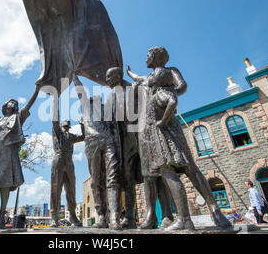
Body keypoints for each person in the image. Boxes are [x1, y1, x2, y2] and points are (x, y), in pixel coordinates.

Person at [127, 46, 232, 230]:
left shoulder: (169, 72)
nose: (145, 59)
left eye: (147, 55)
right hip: (162, 121)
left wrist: (171, 93)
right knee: (189, 168)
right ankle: (214, 213)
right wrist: (130, 73)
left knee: (177, 168)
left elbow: (182, 85)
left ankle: (201, 214)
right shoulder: (151, 77)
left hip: (161, 124)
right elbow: (140, 78)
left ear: (155, 57)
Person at [0, 86, 40, 230]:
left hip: (7, 153)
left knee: (5, 184)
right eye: (11, 102)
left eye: (16, 103)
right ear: (5, 105)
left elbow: (29, 105)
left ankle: (2, 220)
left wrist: (36, 89)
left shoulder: (17, 118)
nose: (14, 104)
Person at [73, 74, 123, 229]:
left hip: (109, 142)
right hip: (92, 143)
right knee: (95, 181)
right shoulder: (86, 107)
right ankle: (101, 215)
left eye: (98, 98)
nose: (96, 98)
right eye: (93, 98)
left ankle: (114, 217)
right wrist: (74, 74)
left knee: (112, 178)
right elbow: (79, 89)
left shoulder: (108, 108)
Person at [105, 67, 144, 230]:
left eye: (109, 76)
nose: (107, 79)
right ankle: (128, 217)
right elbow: (108, 120)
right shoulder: (110, 96)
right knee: (128, 178)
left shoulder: (133, 88)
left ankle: (163, 215)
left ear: (118, 76)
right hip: (122, 141)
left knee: (152, 174)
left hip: (140, 134)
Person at [50, 95, 85, 228]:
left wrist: (82, 125)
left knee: (71, 189)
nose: (66, 127)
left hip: (69, 162)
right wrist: (55, 102)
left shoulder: (71, 136)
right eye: (65, 126)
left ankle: (73, 216)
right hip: (58, 159)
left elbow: (83, 137)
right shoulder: (57, 132)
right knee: (55, 189)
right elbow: (54, 120)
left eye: (67, 126)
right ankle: (54, 217)